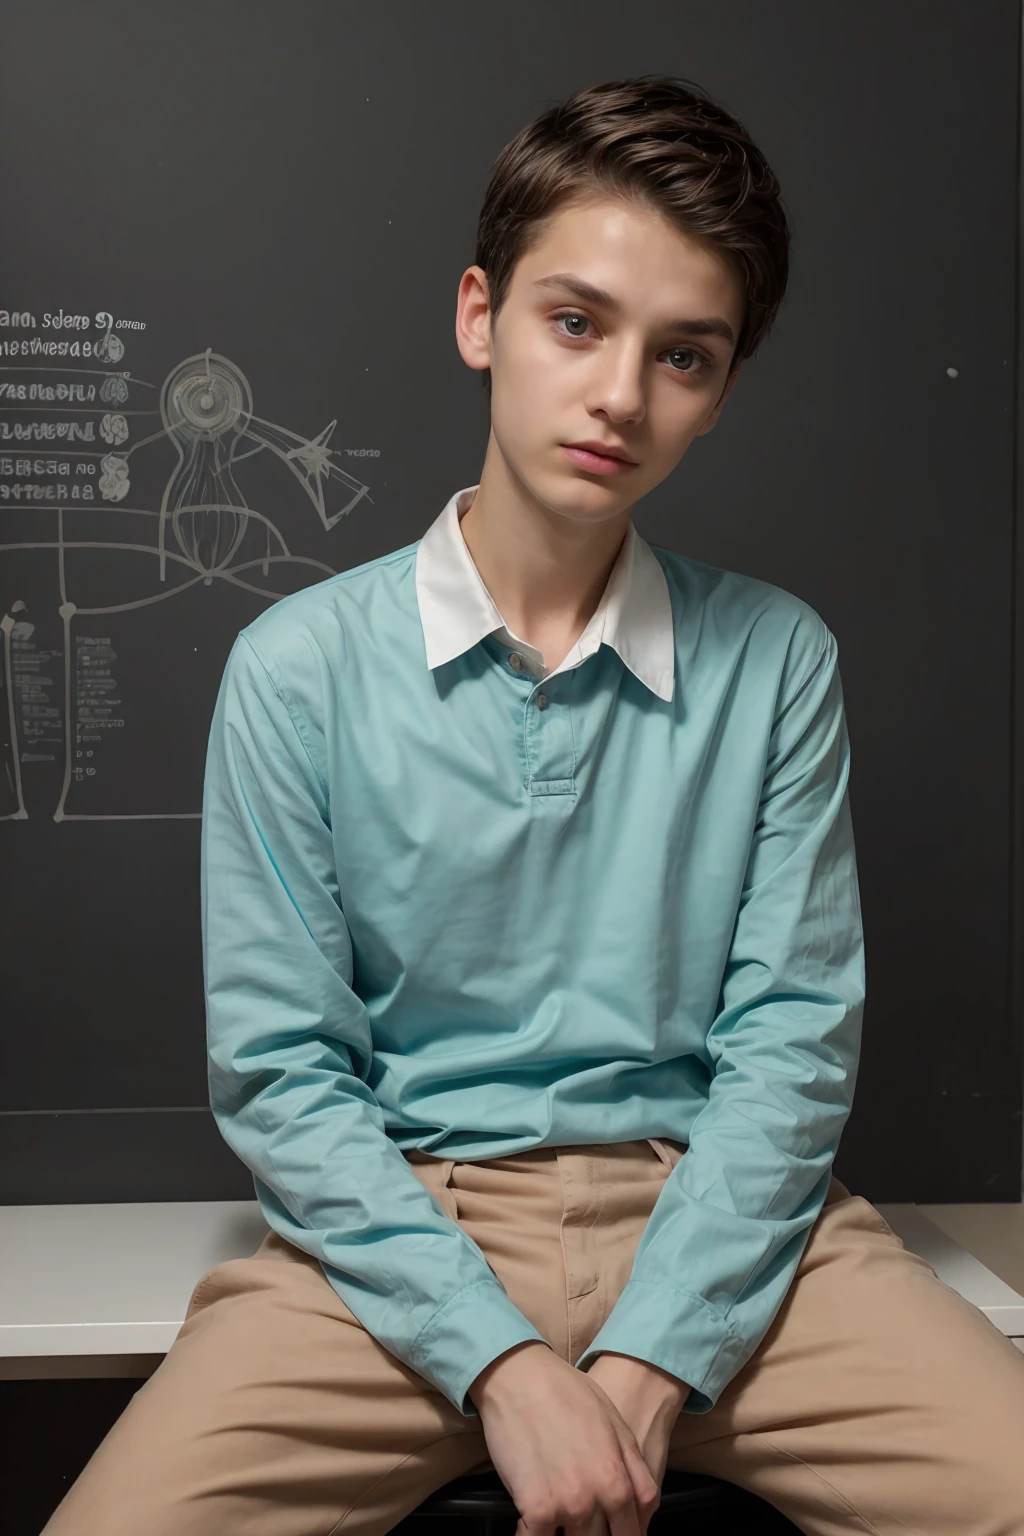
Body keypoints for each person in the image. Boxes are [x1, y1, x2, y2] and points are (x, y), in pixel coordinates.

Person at [43, 73, 1024, 1536]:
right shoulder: (297, 669)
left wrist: (644, 1362)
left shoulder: (777, 660)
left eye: (683, 355)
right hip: (391, 1236)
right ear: (479, 317)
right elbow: (286, 1076)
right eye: (577, 323)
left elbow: (790, 1052)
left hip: (727, 1229)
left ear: (723, 390)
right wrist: (499, 1358)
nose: (621, 395)